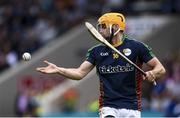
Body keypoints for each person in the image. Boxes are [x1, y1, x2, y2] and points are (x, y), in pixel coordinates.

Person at [36, 12, 166, 118]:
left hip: (132, 105)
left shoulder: (137, 47)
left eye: (103, 26)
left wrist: (152, 73)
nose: (100, 30)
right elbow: (80, 73)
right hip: (108, 106)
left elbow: (160, 68)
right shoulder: (96, 52)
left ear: (115, 27)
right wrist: (59, 70)